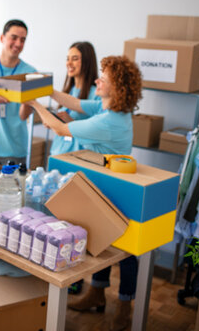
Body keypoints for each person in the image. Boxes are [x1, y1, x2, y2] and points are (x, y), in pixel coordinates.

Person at [26, 55, 142, 331]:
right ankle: (97, 293)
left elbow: (59, 128)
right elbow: (76, 103)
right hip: (103, 185)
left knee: (124, 251)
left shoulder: (111, 121)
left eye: (105, 79)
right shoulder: (108, 108)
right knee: (99, 241)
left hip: (114, 189)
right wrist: (45, 90)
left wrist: (32, 104)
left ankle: (125, 306)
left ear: (118, 89)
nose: (98, 81)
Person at [0, 19, 37, 166]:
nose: (18, 44)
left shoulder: (31, 73)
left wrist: (29, 100)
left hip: (15, 150)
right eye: (14, 37)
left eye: (23, 40)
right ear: (2, 38)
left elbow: (24, 115)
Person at [49, 41, 100, 156]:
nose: (69, 63)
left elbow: (96, 133)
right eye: (68, 59)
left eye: (75, 59)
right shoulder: (68, 91)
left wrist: (71, 123)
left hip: (78, 156)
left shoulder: (96, 95)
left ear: (87, 62)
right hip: (58, 152)